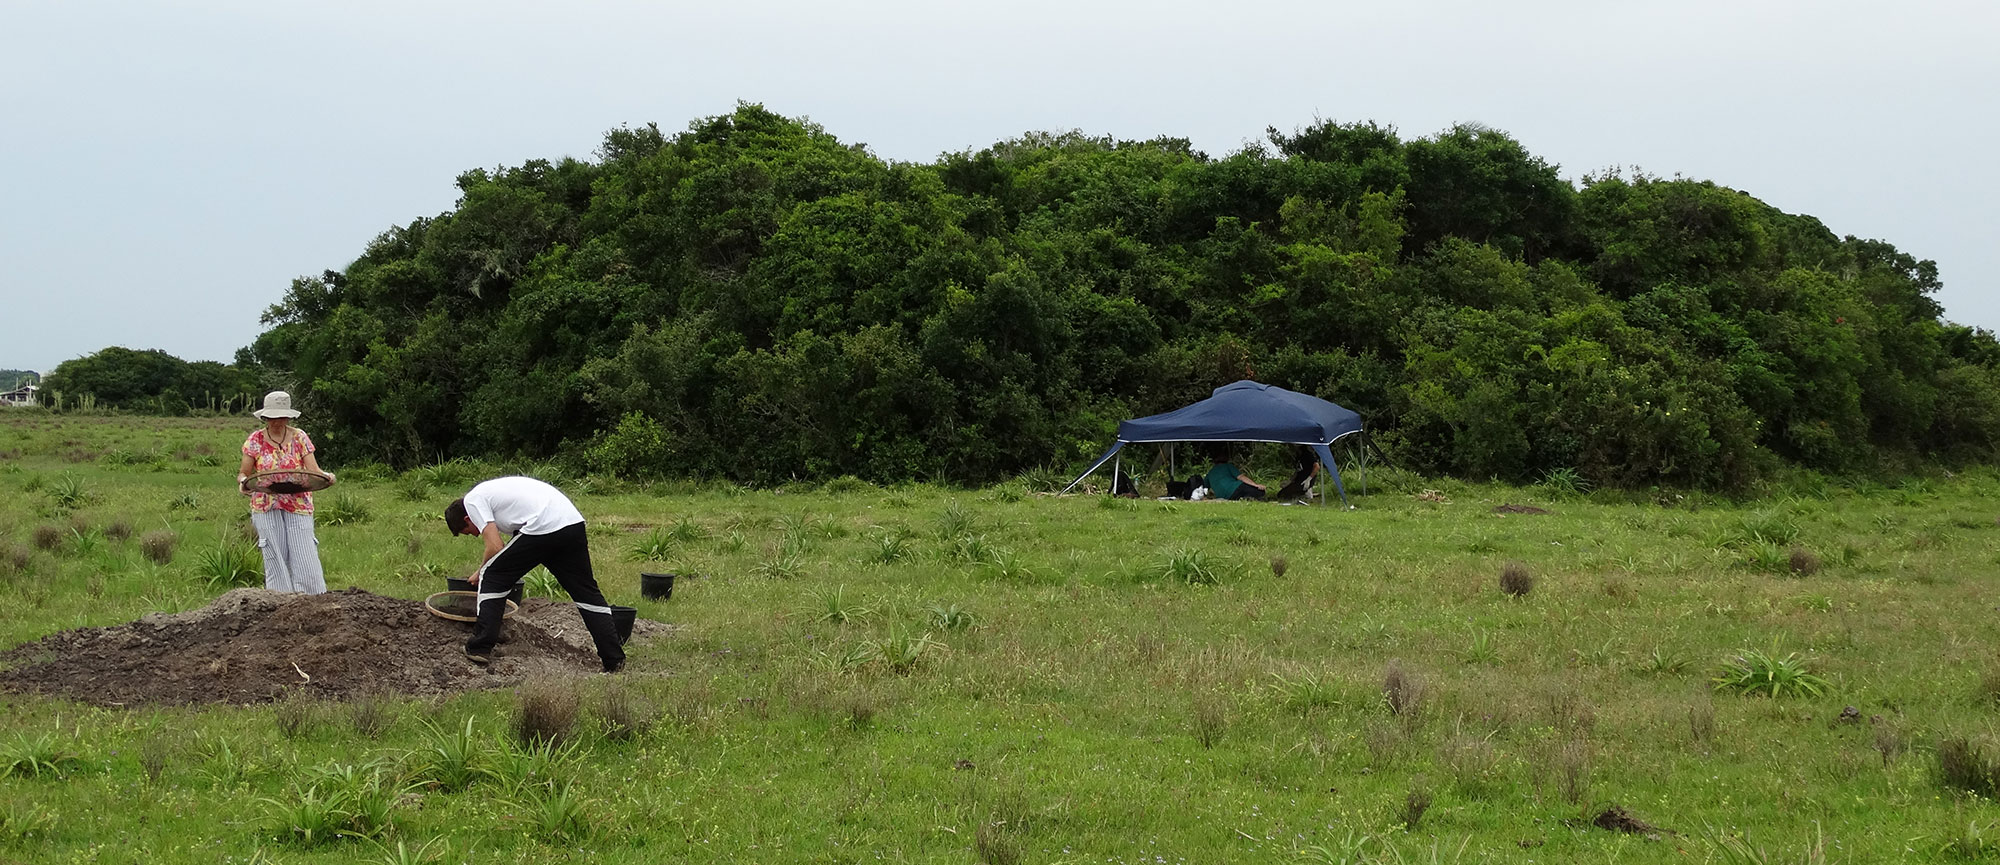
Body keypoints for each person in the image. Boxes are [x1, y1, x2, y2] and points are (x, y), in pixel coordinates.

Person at [444, 476, 625, 673]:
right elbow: (517, 542)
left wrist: (480, 570)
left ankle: (479, 647)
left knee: (492, 576)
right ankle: (614, 660)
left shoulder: (473, 501)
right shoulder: (496, 494)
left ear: (467, 518)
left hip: (542, 526)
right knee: (587, 594)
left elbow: (495, 546)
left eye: (468, 531)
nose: (475, 534)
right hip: (572, 524)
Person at [237, 390, 334, 593]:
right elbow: (244, 473)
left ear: (288, 416)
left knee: (305, 552)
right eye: (272, 417)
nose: (277, 421)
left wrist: (326, 476)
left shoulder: (299, 437)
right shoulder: (255, 439)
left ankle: (313, 600)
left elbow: (313, 470)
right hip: (266, 503)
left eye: (281, 417)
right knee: (274, 553)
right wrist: (244, 483)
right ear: (265, 417)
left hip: (298, 501)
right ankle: (280, 600)